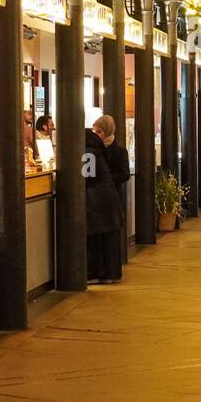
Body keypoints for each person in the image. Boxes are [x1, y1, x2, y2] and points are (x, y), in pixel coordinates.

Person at [85, 116, 126, 284]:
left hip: (97, 200)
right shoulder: (97, 149)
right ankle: (110, 273)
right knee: (109, 238)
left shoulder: (88, 152)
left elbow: (88, 177)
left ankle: (100, 272)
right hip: (108, 198)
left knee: (99, 238)